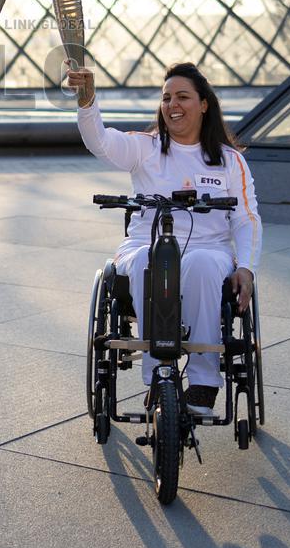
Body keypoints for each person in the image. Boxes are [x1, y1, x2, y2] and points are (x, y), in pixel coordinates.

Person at [67, 61, 262, 415]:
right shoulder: (144, 148)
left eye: (183, 97)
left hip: (210, 249)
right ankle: (159, 374)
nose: (173, 105)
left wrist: (246, 267)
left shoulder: (230, 161)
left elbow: (247, 219)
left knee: (202, 264)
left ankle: (203, 384)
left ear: (204, 104)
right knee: (148, 259)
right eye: (167, 97)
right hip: (144, 244)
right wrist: (87, 99)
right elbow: (99, 141)